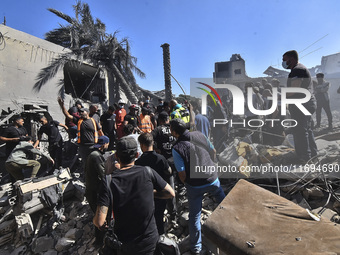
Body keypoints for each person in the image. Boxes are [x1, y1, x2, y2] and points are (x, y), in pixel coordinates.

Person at [93, 136, 175, 255]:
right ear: (137, 155)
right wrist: (151, 193)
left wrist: (96, 221)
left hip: (125, 245)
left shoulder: (109, 180)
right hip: (149, 242)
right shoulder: (147, 172)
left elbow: (100, 222)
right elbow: (170, 193)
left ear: (116, 156)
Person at [170, 118, 225, 255]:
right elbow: (213, 151)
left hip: (195, 185)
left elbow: (182, 174)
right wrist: (210, 164)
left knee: (195, 216)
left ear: (174, 132)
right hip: (212, 178)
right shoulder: (200, 134)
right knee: (224, 205)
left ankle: (196, 248)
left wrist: (187, 183)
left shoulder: (177, 148)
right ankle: (232, 231)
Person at [282, 50, 317, 162]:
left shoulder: (298, 70)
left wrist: (280, 95)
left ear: (291, 59)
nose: (283, 63)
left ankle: (305, 158)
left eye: (284, 60)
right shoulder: (298, 69)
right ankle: (313, 155)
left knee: (300, 131)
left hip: (302, 105)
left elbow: (294, 89)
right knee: (306, 130)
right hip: (305, 104)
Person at [136, 133, 172, 235]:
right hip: (161, 194)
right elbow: (169, 172)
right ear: (153, 143)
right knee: (159, 218)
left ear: (142, 145)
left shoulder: (139, 162)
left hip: (146, 195)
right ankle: (160, 238)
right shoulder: (160, 158)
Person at [58, 97, 104, 170]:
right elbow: (67, 115)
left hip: (93, 146)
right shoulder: (79, 121)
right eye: (80, 112)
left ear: (87, 113)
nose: (81, 113)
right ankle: (86, 178)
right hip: (83, 147)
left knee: (95, 163)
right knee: (86, 164)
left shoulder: (93, 121)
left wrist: (104, 142)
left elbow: (100, 132)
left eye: (83, 112)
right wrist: (62, 106)